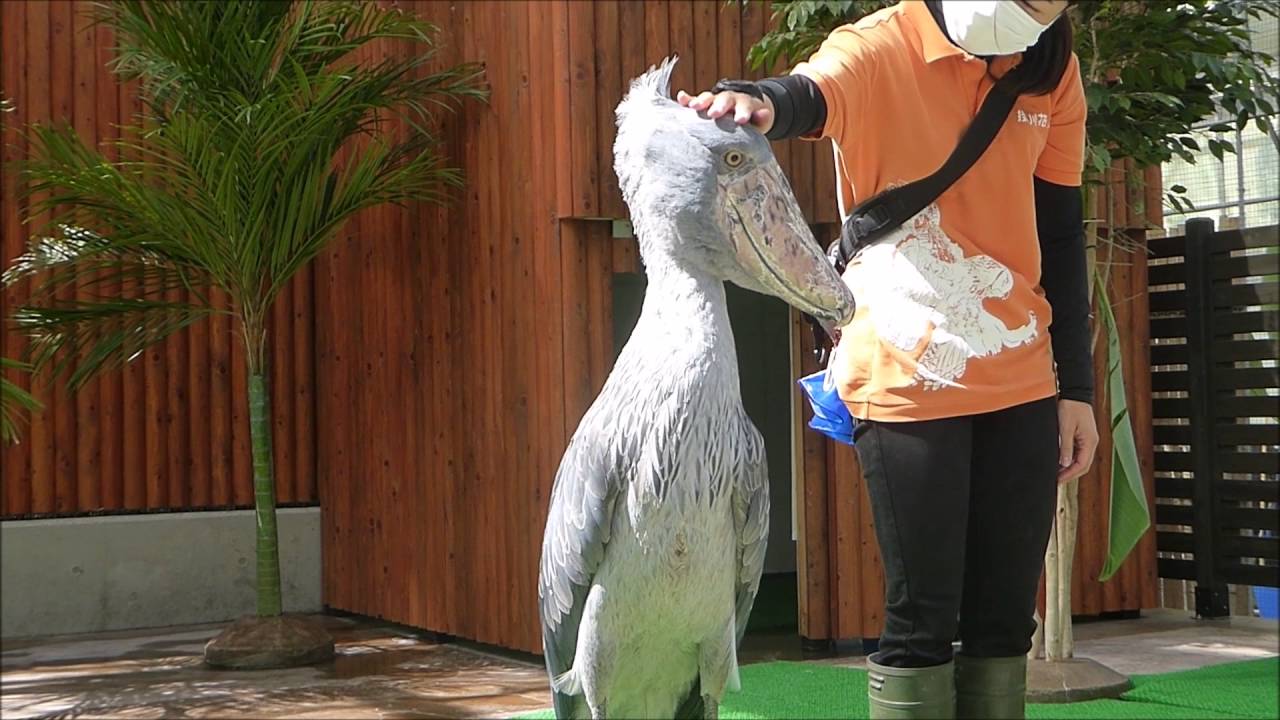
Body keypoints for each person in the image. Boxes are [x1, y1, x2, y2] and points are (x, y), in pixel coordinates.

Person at [678, 1, 1099, 718]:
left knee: (1004, 620)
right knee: (922, 619)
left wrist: (1077, 389)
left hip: (1023, 375)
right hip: (909, 375)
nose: (1037, 12)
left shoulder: (1050, 67)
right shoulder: (878, 45)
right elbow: (808, 95)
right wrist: (755, 100)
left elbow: (1059, 235)